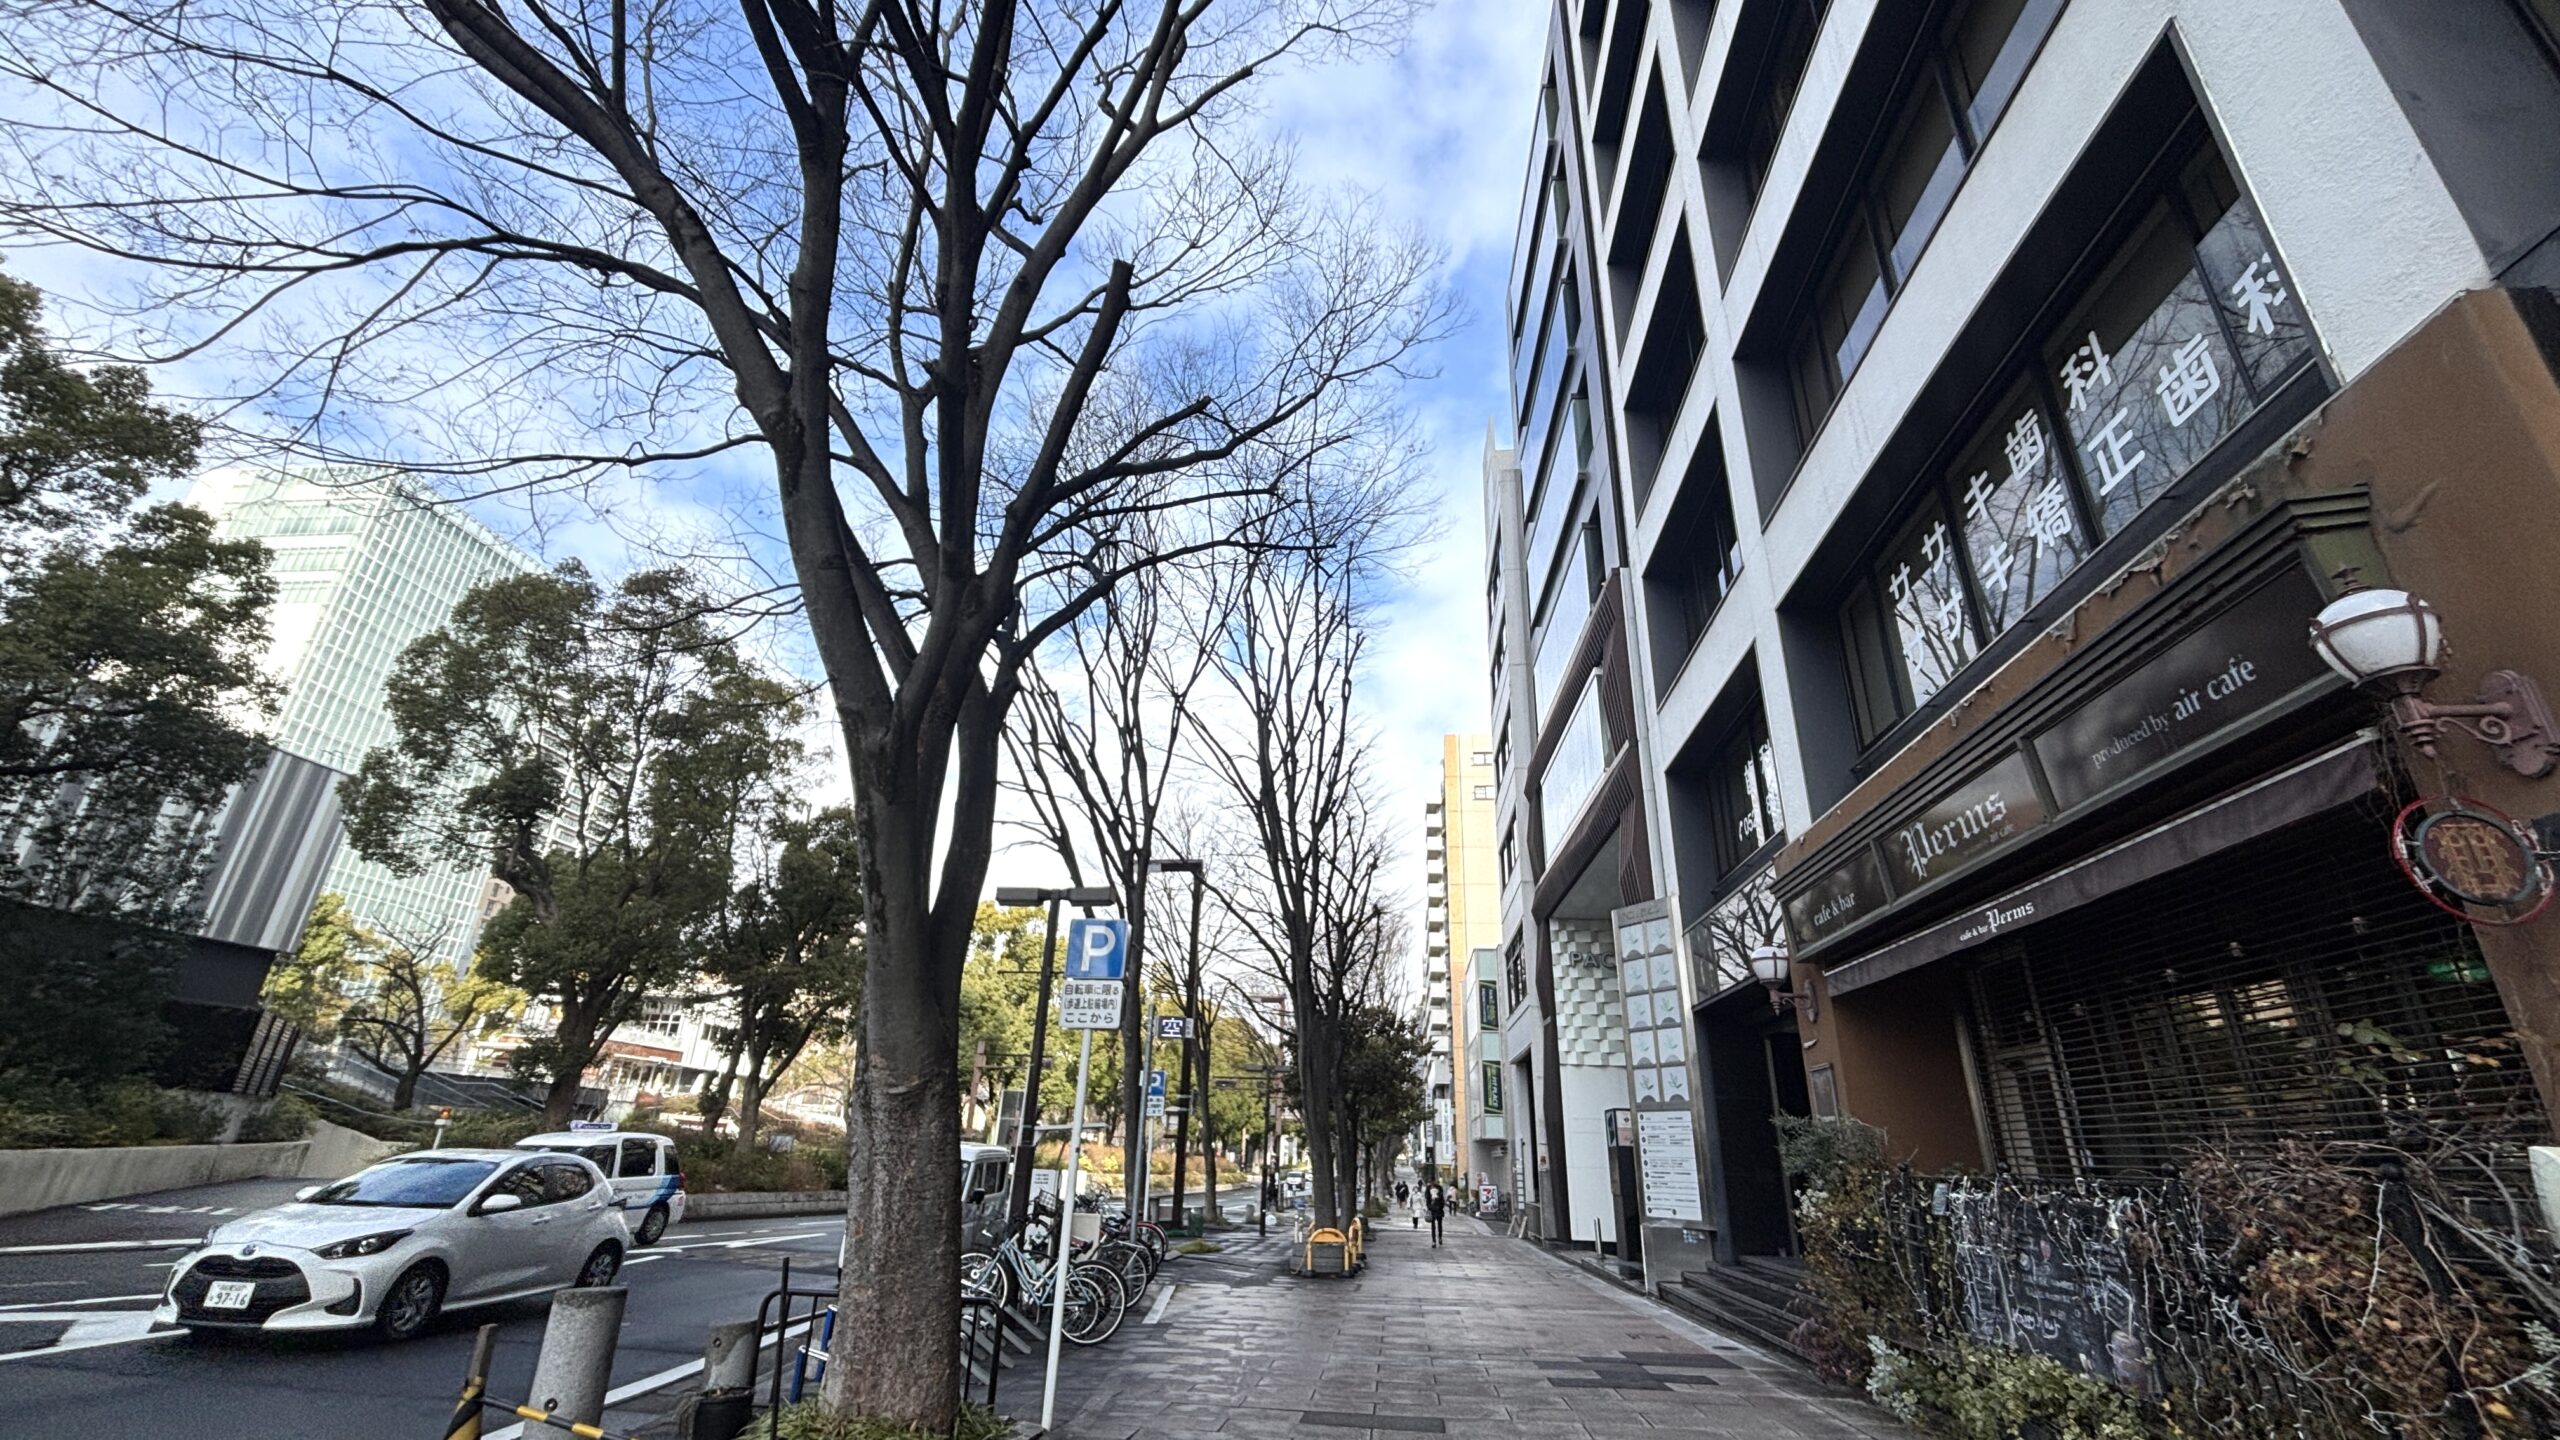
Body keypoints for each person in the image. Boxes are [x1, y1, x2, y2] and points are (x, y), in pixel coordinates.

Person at [1425, 1181, 1447, 1247]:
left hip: (1439, 1211)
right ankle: (1434, 1241)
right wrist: (1431, 1207)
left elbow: (1443, 1203)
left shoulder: (1440, 1196)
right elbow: (1427, 1203)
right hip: (1432, 1211)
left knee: (1439, 1225)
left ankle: (1440, 1237)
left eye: (1435, 1189)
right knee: (1433, 1226)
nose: (1433, 1190)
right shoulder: (1429, 1197)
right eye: (1432, 1189)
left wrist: (1439, 1206)